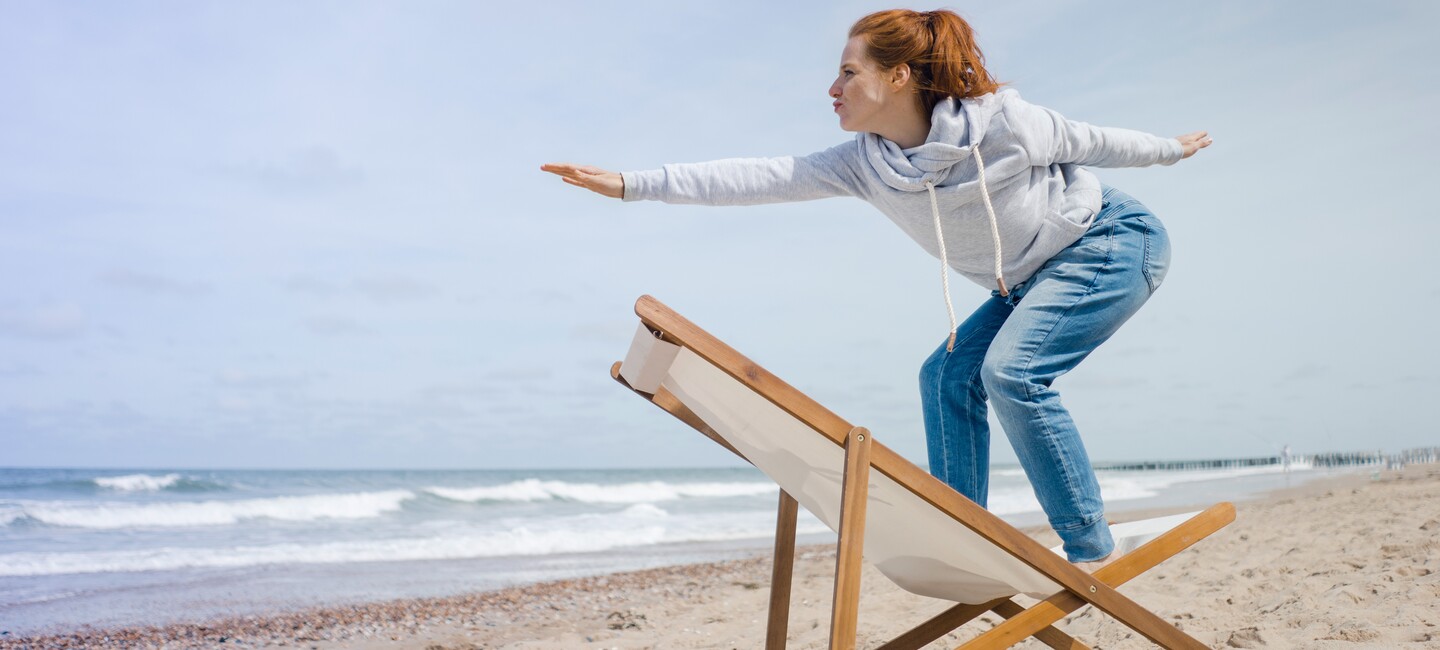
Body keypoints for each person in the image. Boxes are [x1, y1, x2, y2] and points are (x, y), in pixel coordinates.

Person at [542, 8, 1211, 568]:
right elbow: (757, 176)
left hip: (1112, 243)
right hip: (1031, 279)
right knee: (946, 375)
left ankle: (1092, 550)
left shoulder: (1004, 123)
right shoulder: (864, 165)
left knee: (1013, 374)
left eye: (848, 72)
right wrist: (631, 184)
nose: (832, 87)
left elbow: (1098, 140)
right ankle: (964, 540)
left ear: (898, 77)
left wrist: (1172, 149)